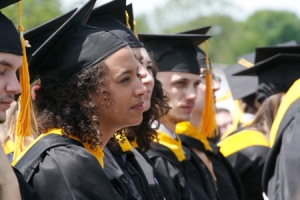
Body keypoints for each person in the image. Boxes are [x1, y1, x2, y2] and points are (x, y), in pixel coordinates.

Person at [12, 1, 147, 199]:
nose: (142, 89)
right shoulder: (66, 164)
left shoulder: (83, 154)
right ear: (82, 94)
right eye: (125, 79)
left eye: (137, 75)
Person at [139, 33, 213, 200]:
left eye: (196, 84)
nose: (193, 95)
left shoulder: (188, 154)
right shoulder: (145, 155)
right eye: (180, 83)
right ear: (151, 82)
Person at [175, 29, 243, 200]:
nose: (216, 86)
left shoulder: (208, 148)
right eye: (203, 78)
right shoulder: (170, 152)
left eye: (213, 77)